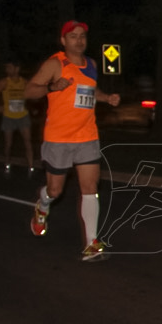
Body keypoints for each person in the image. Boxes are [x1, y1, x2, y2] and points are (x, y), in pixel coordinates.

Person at [24, 20, 120, 261]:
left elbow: (89, 91)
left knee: (90, 187)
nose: (79, 40)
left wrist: (106, 97)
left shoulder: (92, 65)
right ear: (64, 40)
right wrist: (52, 87)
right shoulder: (55, 64)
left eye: (82, 36)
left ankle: (91, 243)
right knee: (56, 190)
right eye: (74, 36)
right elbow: (29, 90)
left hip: (87, 135)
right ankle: (43, 204)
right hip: (58, 138)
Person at [0, 59, 36, 174]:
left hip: (23, 115)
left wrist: (33, 106)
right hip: (8, 116)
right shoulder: (4, 82)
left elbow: (32, 96)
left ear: (17, 69)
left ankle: (31, 166)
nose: (7, 70)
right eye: (6, 68)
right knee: (8, 143)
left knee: (28, 141)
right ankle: (7, 163)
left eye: (9, 67)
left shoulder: (24, 82)